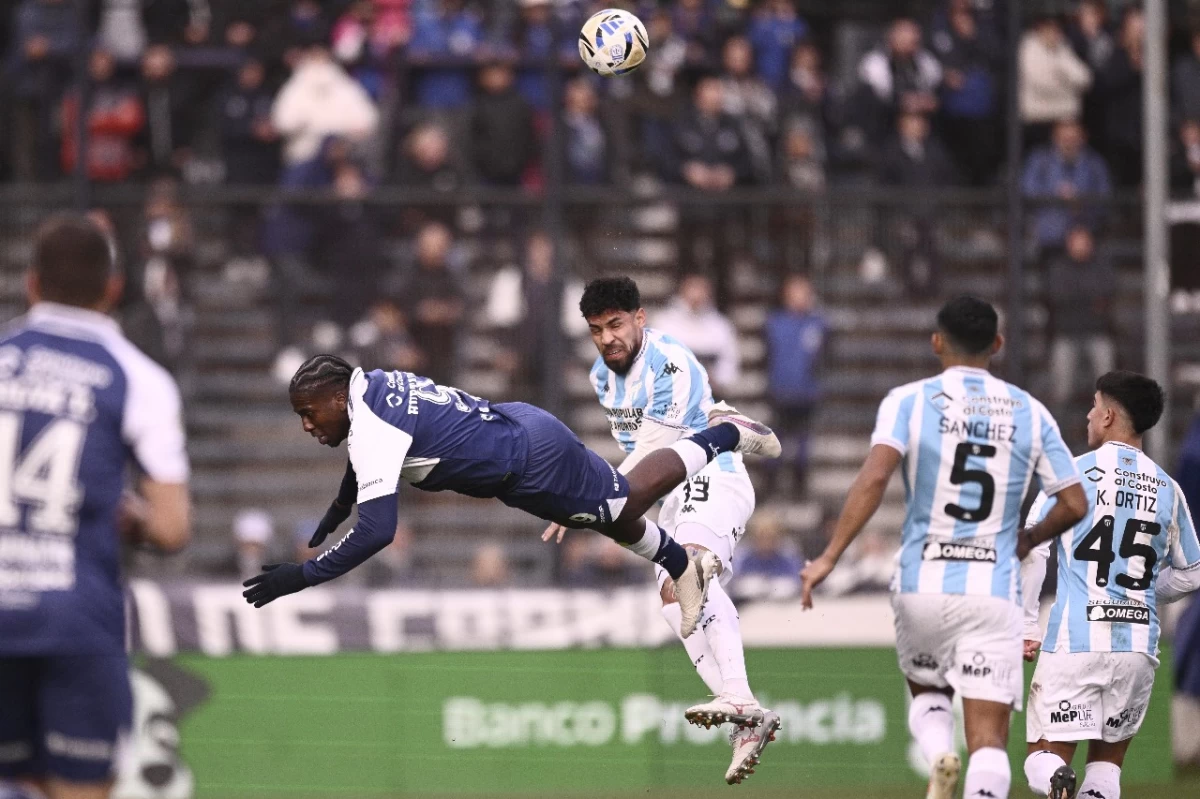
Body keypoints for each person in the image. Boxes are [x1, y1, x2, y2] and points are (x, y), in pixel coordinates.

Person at [242, 355, 783, 644]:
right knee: (604, 518)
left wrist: (302, 576)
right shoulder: (370, 383)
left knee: (627, 502)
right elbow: (366, 452)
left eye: (310, 412)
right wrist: (339, 508)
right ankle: (679, 564)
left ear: (338, 397)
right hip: (515, 429)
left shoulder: (373, 429)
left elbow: (379, 531)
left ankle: (726, 433)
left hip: (527, 462)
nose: (308, 424)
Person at [801, 295, 1088, 799]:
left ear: (936, 342)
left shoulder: (908, 401)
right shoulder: (1030, 411)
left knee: (929, 692)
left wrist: (829, 556)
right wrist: (1027, 539)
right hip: (992, 591)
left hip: (921, 583)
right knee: (990, 742)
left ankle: (938, 754)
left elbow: (873, 478)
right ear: (997, 344)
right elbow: (1073, 502)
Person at [543, 277, 779, 785]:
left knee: (692, 569)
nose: (607, 338)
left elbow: (653, 454)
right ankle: (746, 717)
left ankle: (737, 697)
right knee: (676, 602)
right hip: (666, 495)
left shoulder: (672, 364)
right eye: (596, 330)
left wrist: (580, 502)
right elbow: (641, 462)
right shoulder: (602, 377)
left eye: (616, 325)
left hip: (710, 473)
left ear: (640, 318)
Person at [0, 213, 191, 799]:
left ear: (31, 283)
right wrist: (126, 512)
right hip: (77, 619)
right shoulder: (139, 378)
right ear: (112, 288)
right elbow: (171, 527)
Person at [1020, 372, 1200, 799]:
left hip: (1075, 644)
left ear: (1108, 415)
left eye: (1092, 405)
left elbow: (1031, 548)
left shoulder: (1070, 475)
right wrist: (1142, 592)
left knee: (1043, 760)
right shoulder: (1167, 488)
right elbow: (1194, 571)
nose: (1087, 414)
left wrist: (1027, 625)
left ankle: (1055, 778)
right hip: (1137, 649)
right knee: (1105, 773)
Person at [764, 275, 826, 497]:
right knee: (775, 441)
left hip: (805, 392)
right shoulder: (775, 322)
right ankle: (771, 485)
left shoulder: (817, 323)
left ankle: (799, 488)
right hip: (780, 391)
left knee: (802, 444)